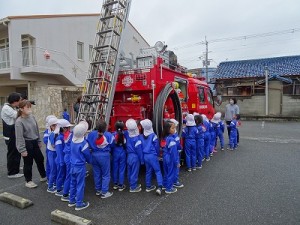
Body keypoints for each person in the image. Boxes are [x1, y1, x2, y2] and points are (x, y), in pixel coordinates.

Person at [15, 100, 46, 188]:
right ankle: (28, 181)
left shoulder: (32, 117)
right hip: (27, 143)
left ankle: (43, 176)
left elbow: (36, 129)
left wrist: (39, 141)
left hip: (35, 141)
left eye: (30, 107)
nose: (29, 109)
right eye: (27, 107)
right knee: (28, 163)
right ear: (21, 109)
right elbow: (19, 137)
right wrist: (22, 150)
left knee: (40, 159)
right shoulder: (19, 122)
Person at [86, 120, 114, 199]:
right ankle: (104, 192)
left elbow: (86, 141)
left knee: (97, 173)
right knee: (106, 174)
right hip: (104, 156)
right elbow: (112, 145)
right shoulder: (109, 135)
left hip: (94, 155)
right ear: (105, 127)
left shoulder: (91, 134)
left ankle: (98, 190)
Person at [68, 121, 91, 211]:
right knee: (80, 185)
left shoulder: (72, 141)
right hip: (80, 167)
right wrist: (90, 161)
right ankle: (79, 203)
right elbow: (87, 155)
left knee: (72, 183)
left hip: (72, 165)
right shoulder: (83, 143)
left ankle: (71, 200)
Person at [1, 92, 23, 178]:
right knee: (12, 153)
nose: (20, 102)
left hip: (13, 133)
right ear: (15, 101)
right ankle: (12, 172)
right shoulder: (7, 108)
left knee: (16, 152)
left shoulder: (11, 107)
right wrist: (23, 108)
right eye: (20, 100)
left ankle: (15, 167)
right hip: (10, 134)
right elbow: (17, 116)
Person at [140, 119, 163, 195]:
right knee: (157, 171)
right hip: (152, 155)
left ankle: (148, 186)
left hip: (145, 156)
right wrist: (158, 155)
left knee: (148, 171)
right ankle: (160, 187)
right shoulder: (153, 136)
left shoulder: (141, 136)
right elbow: (156, 147)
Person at [125, 119, 144, 193]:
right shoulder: (137, 139)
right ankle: (133, 187)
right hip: (135, 157)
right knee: (134, 172)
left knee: (129, 171)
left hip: (129, 156)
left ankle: (131, 184)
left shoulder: (127, 135)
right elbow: (139, 151)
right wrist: (142, 160)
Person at [161, 120, 179, 194]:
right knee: (171, 172)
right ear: (168, 129)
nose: (174, 129)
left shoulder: (165, 137)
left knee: (166, 171)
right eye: (172, 128)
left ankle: (165, 184)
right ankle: (169, 188)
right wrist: (177, 162)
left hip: (165, 156)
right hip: (170, 157)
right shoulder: (171, 139)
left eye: (174, 128)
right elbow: (174, 153)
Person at [112, 121, 127, 191]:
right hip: (122, 152)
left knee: (115, 168)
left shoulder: (113, 134)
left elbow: (112, 144)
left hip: (115, 152)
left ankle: (115, 184)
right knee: (122, 168)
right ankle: (121, 184)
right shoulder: (124, 134)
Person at [169, 118, 184, 188]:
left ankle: (167, 183)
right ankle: (175, 181)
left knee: (169, 169)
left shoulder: (167, 135)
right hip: (175, 153)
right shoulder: (175, 136)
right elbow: (178, 145)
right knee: (175, 168)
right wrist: (180, 148)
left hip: (168, 155)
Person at [46, 117, 59, 193]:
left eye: (56, 125)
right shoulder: (52, 134)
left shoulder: (53, 133)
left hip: (53, 152)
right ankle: (50, 186)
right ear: (51, 126)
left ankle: (53, 183)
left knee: (55, 169)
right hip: (52, 152)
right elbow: (53, 145)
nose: (56, 127)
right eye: (54, 125)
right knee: (53, 169)